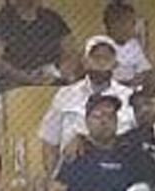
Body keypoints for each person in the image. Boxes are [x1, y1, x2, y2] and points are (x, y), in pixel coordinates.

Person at [39, 35, 137, 175]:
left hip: (117, 173)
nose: (101, 62)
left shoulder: (130, 97)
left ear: (115, 64)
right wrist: (52, 177)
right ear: (85, 62)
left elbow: (137, 141)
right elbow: (49, 141)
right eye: (96, 57)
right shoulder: (65, 95)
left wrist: (86, 140)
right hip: (75, 174)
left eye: (107, 58)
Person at [0, 0, 75, 92]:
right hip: (13, 88)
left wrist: (60, 72)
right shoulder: (0, 20)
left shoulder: (53, 19)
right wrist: (26, 78)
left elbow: (70, 52)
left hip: (51, 83)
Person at [103, 2, 153, 88]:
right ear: (109, 26)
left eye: (132, 23)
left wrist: (142, 77)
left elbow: (145, 70)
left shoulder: (134, 46)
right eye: (123, 23)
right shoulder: (102, 46)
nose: (129, 28)